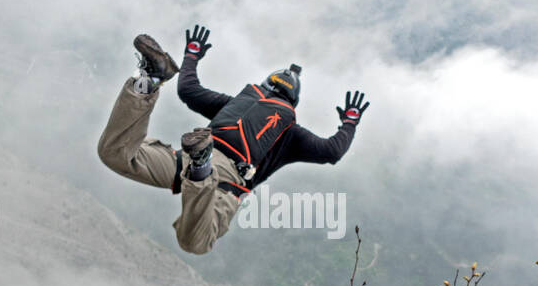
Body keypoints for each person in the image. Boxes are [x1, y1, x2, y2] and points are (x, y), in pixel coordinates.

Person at [97, 25, 369, 255]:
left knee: (115, 153)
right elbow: (331, 151)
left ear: (264, 86)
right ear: (293, 101)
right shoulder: (290, 134)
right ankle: (201, 172)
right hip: (225, 181)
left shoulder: (235, 104)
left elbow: (188, 90)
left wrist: (192, 55)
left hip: (184, 158)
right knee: (195, 242)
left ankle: (148, 80)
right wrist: (350, 122)